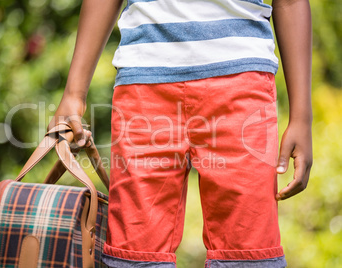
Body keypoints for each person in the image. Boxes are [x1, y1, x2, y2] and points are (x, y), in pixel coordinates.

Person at [48, 0, 313, 266]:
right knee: (134, 253)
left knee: (248, 252)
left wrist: (302, 117)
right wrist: (74, 93)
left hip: (241, 84)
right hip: (144, 85)